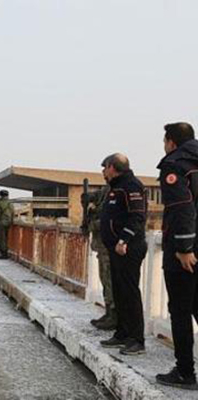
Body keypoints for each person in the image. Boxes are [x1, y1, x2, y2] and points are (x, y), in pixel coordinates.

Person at [155, 122, 198, 390]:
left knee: (180, 311)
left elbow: (181, 207)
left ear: (171, 141)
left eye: (164, 141)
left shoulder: (175, 164)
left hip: (186, 250)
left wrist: (184, 248)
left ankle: (185, 372)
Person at [98, 153, 147, 356]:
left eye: (104, 167)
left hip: (128, 247)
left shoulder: (131, 186)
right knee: (119, 291)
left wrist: (123, 239)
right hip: (115, 248)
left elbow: (137, 216)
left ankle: (137, 339)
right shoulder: (115, 187)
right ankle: (122, 333)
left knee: (130, 292)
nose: (102, 171)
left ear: (112, 167)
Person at [82, 186, 117, 331]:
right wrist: (87, 198)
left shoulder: (117, 190)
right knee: (105, 280)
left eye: (106, 169)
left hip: (109, 246)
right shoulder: (105, 190)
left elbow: (108, 219)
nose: (104, 172)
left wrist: (92, 221)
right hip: (102, 246)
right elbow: (92, 196)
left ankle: (114, 315)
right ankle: (109, 312)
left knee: (110, 281)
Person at [0, 190, 14, 260]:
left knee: (1, 238)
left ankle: (4, 253)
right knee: (6, 238)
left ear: (1, 195)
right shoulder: (10, 203)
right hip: (8, 223)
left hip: (1, 223)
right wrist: (11, 221)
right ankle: (6, 252)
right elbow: (13, 213)